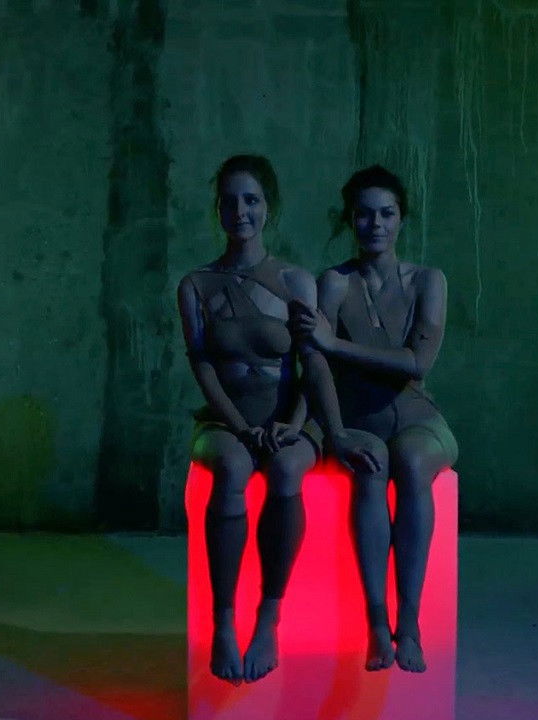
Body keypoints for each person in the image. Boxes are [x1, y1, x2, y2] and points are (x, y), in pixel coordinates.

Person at [293, 165, 458, 673]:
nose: (376, 224)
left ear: (402, 218)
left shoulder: (429, 280)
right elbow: (312, 360)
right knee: (370, 464)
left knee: (411, 460)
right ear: (350, 219)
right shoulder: (334, 282)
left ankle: (409, 623)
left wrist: (336, 343)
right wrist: (332, 430)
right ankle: (377, 624)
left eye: (386, 214)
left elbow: (418, 363)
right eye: (364, 214)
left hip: (417, 418)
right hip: (358, 416)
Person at [177, 154, 320, 684]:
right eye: (230, 201)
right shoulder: (196, 284)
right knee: (233, 469)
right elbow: (203, 366)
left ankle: (268, 617)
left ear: (269, 207)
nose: (241, 211)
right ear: (217, 209)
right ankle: (223, 622)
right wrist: (237, 425)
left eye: (252, 200)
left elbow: (313, 364)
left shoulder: (296, 280)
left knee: (285, 470)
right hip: (223, 421)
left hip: (290, 420)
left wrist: (296, 423)